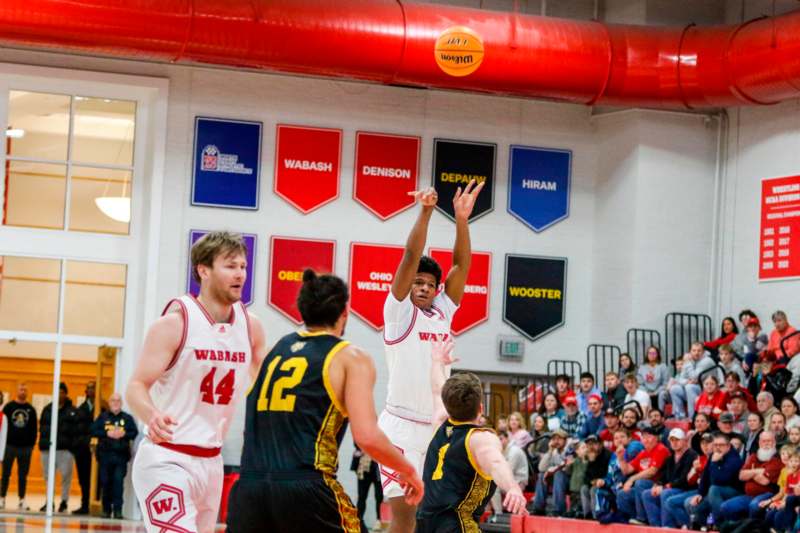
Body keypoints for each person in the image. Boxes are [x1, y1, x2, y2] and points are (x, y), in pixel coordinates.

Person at [227, 270, 423, 533]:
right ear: (345, 311)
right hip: (306, 487)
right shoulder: (350, 357)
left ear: (302, 309)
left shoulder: (278, 350)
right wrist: (407, 469)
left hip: (249, 487)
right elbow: (366, 437)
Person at [127, 231, 267, 533]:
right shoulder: (175, 323)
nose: (240, 274)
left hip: (212, 461)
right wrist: (151, 414)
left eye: (243, 266)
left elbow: (263, 383)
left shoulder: (251, 326)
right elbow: (136, 386)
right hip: (166, 457)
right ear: (203, 270)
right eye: (230, 266)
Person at [378, 181, 483, 533]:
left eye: (428, 284)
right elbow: (410, 257)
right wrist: (425, 211)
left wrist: (462, 220)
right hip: (400, 430)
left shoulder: (442, 312)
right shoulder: (398, 313)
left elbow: (461, 266)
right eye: (417, 282)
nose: (422, 287)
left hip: (438, 427)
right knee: (405, 519)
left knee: (436, 519)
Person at [417, 339, 527, 531]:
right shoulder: (480, 438)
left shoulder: (440, 420)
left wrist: (437, 362)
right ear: (481, 408)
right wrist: (513, 488)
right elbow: (496, 463)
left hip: (423, 523)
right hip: (456, 524)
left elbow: (437, 390)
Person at [717, 431, 782, 522]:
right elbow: (741, 475)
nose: (766, 443)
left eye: (769, 441)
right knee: (725, 507)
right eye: (764, 441)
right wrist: (757, 472)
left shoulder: (777, 459)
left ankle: (752, 529)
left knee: (754, 506)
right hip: (749, 495)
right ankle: (737, 528)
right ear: (759, 443)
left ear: (774, 443)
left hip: (768, 494)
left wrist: (750, 473)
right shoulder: (753, 457)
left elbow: (765, 481)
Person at [638, 428, 698, 526]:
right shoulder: (670, 458)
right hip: (672, 488)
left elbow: (685, 479)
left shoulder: (692, 455)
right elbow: (663, 475)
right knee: (647, 494)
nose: (674, 443)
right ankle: (656, 526)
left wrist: (666, 486)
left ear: (684, 441)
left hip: (686, 489)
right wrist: (657, 484)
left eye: (677, 440)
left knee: (665, 493)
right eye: (672, 440)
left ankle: (667, 526)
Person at [91, 393, 137, 519]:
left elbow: (134, 432)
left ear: (121, 403)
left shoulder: (127, 418)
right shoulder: (103, 417)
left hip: (120, 456)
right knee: (106, 482)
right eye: (113, 400)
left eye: (118, 400)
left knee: (118, 482)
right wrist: (107, 433)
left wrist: (124, 434)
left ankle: (117, 510)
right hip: (105, 456)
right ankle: (106, 510)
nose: (115, 403)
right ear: (109, 402)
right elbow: (93, 430)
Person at [685, 431, 744, 528]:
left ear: (728, 446)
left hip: (733, 491)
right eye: (716, 445)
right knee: (690, 503)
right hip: (715, 492)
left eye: (721, 445)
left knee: (714, 489)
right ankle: (706, 526)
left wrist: (714, 463)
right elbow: (705, 476)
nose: (718, 448)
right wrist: (700, 493)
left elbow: (721, 479)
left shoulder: (734, 459)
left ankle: (721, 525)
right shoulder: (714, 455)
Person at [614, 427, 671, 522]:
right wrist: (621, 458)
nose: (646, 440)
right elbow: (627, 470)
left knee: (640, 483)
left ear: (656, 438)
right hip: (644, 487)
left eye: (649, 437)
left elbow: (652, 471)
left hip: (659, 485)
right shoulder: (643, 453)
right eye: (643, 437)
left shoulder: (661, 449)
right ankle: (632, 520)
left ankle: (642, 519)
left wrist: (632, 479)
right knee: (622, 494)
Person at [39, 382, 78, 513]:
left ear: (66, 394)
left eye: (62, 392)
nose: (59, 395)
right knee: (48, 477)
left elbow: (75, 431)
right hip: (48, 449)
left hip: (65, 450)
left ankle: (64, 502)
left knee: (66, 477)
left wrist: (71, 447)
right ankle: (49, 502)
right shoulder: (47, 409)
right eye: (57, 392)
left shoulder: (72, 411)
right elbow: (42, 428)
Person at [1, 381, 37, 511]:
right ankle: (2, 498)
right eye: (21, 389)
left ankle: (22, 500)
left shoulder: (31, 409)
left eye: (25, 390)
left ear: (27, 392)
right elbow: (3, 426)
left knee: (23, 475)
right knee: (5, 473)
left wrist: (31, 445)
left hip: (25, 448)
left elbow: (34, 429)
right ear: (17, 391)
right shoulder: (9, 407)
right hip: (9, 446)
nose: (23, 392)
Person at [663, 433, 712, 528]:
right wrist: (695, 470)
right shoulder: (700, 459)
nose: (705, 446)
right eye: (703, 443)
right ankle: (689, 526)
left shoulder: (716, 458)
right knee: (670, 502)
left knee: (687, 503)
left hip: (708, 491)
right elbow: (690, 480)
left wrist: (701, 470)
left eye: (708, 443)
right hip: (698, 490)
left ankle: (700, 526)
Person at [669, 342, 718, 419]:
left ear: (703, 352)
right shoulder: (691, 360)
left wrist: (688, 363)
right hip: (695, 388)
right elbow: (681, 378)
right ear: (690, 351)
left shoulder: (707, 361)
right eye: (694, 350)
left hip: (707, 390)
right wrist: (687, 381)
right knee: (674, 388)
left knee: (690, 387)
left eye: (699, 350)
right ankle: (680, 416)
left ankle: (692, 418)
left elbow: (694, 376)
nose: (696, 353)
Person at [490, 430, 529, 519]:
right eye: (497, 439)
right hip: (508, 480)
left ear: (507, 439)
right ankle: (488, 513)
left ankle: (498, 514)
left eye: (501, 439)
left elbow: (508, 472)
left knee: (493, 486)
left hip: (519, 481)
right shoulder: (500, 450)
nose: (499, 441)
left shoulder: (514, 451)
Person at [71, 380, 96, 515]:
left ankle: (97, 505)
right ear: (86, 392)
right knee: (83, 479)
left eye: (93, 388)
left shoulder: (101, 408)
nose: (91, 391)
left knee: (97, 479)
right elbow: (75, 430)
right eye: (89, 388)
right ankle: (84, 504)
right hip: (82, 450)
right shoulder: (80, 410)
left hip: (96, 451)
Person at [532, 428, 568, 516]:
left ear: (565, 440)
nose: (556, 441)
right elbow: (541, 468)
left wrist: (552, 470)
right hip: (557, 479)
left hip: (569, 478)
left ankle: (558, 510)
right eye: (554, 439)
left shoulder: (569, 449)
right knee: (541, 475)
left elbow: (566, 468)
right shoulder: (553, 451)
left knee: (559, 474)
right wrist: (549, 451)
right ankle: (538, 508)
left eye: (559, 439)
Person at [350, 445, 383, 528]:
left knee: (379, 496)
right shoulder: (362, 434)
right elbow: (356, 443)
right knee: (361, 497)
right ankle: (358, 520)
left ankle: (378, 520)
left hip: (378, 468)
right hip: (364, 467)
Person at [582, 434, 612, 519]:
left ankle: (596, 516)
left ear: (601, 444)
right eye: (589, 444)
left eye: (594, 443)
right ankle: (587, 515)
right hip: (596, 483)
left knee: (594, 489)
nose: (591, 447)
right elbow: (586, 478)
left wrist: (593, 461)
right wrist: (591, 461)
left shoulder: (607, 455)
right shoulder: (590, 456)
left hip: (608, 485)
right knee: (584, 488)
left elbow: (606, 474)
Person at [637, 346, 668, 412]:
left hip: (658, 391)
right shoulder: (642, 367)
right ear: (647, 354)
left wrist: (655, 392)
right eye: (650, 353)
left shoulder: (662, 366)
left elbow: (665, 383)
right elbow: (640, 383)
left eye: (654, 353)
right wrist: (646, 392)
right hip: (646, 391)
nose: (652, 355)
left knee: (662, 393)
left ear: (657, 355)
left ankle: (660, 413)